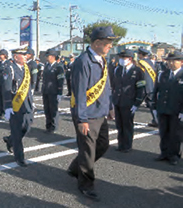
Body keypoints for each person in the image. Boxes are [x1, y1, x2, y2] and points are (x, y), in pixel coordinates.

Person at [67, 26, 116, 201]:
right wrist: (82, 119)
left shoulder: (102, 59)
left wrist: (109, 108)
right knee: (88, 151)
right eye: (108, 43)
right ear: (96, 43)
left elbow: (107, 86)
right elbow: (79, 92)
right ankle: (86, 185)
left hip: (100, 114)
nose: (111, 46)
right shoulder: (83, 61)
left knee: (103, 145)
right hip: (87, 115)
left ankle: (75, 168)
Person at [2, 46, 34, 167]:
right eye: (23, 55)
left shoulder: (26, 67)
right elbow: (7, 88)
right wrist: (8, 106)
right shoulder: (9, 68)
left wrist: (32, 101)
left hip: (27, 104)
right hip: (15, 105)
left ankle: (10, 140)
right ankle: (19, 157)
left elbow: (29, 87)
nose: (26, 56)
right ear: (16, 57)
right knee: (16, 131)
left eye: (26, 54)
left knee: (27, 127)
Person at [152, 51, 183, 166]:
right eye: (169, 61)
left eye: (173, 61)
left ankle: (174, 155)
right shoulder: (163, 74)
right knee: (164, 132)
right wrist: (154, 106)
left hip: (176, 110)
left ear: (181, 62)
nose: (170, 63)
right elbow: (156, 91)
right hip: (163, 108)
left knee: (175, 134)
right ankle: (164, 153)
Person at [112, 49, 145, 153]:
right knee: (119, 124)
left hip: (129, 102)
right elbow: (114, 86)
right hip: (118, 101)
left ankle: (127, 145)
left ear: (130, 59)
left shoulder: (137, 71)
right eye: (121, 58)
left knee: (127, 125)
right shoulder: (117, 69)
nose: (121, 60)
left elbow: (141, 88)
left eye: (123, 58)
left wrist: (137, 103)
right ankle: (120, 144)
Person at [42, 49, 64, 133]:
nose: (47, 58)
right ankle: (48, 125)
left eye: (48, 56)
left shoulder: (58, 67)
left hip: (54, 91)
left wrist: (59, 93)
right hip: (46, 91)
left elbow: (60, 80)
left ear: (53, 57)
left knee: (53, 109)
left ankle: (54, 126)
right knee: (47, 109)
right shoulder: (47, 66)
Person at [138, 47, 158, 127]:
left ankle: (157, 120)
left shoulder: (141, 63)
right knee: (152, 105)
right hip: (152, 85)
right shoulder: (150, 62)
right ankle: (156, 120)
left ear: (140, 55)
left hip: (144, 86)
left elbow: (141, 75)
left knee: (134, 103)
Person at [0, 49, 11, 119]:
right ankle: (1, 111)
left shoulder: (8, 63)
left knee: (5, 98)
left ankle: (5, 112)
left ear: (5, 55)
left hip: (5, 84)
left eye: (1, 54)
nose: (0, 56)